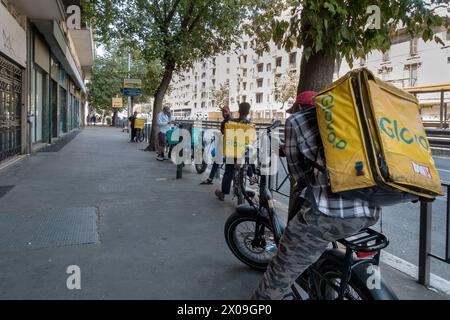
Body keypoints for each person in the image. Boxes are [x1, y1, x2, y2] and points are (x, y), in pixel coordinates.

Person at [251, 91, 381, 300]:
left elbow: (298, 173)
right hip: (369, 210)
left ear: (300, 108)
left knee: (275, 278)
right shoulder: (348, 121)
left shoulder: (297, 121)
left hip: (328, 216)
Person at [215, 102, 255, 201]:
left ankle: (223, 193)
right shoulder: (251, 125)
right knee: (249, 156)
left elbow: (223, 130)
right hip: (243, 151)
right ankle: (251, 176)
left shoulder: (232, 122)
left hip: (232, 152)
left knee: (228, 171)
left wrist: (227, 117)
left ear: (239, 111)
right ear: (248, 112)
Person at [200, 106, 232, 185]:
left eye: (225, 111)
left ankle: (211, 178)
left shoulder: (228, 120)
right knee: (217, 160)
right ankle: (211, 178)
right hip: (227, 144)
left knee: (218, 160)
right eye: (222, 112)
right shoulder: (227, 120)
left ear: (229, 111)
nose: (223, 113)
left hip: (227, 145)